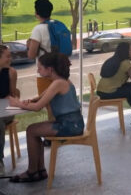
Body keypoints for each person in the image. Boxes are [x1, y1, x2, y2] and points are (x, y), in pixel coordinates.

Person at [8, 52, 84, 183]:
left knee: (31, 130)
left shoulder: (57, 83)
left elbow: (38, 106)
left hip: (69, 125)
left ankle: (32, 171)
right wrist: (29, 101)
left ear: (50, 69)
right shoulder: (61, 81)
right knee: (35, 130)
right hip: (74, 123)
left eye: (40, 68)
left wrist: (17, 103)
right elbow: (40, 97)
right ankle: (40, 170)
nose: (37, 70)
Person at [96, 42, 131, 129]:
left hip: (101, 91)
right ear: (125, 52)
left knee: (129, 90)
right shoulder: (126, 63)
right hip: (109, 92)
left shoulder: (115, 59)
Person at [27, 0, 70, 98]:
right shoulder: (59, 25)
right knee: (60, 105)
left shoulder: (38, 29)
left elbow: (31, 55)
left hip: (45, 74)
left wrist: (29, 45)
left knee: (49, 107)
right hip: (60, 72)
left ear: (36, 13)